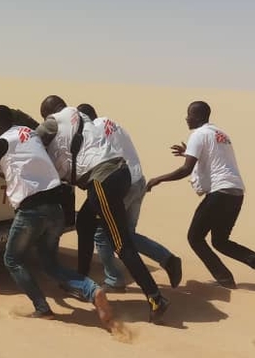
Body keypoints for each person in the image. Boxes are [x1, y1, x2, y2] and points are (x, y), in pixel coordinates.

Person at [0, 105, 115, 328]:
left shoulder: (0, 143)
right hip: (56, 208)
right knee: (50, 264)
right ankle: (93, 290)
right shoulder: (29, 133)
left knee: (12, 260)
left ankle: (42, 308)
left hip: (31, 210)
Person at [37, 96, 171, 323]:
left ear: (49, 112)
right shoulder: (81, 116)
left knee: (120, 243)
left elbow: (33, 140)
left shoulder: (53, 122)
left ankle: (156, 297)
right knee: (85, 222)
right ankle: (81, 279)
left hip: (102, 180)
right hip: (119, 173)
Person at [146, 100, 255, 290]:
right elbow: (214, 156)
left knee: (195, 237)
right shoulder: (220, 134)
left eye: (189, 114)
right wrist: (188, 152)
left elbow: (186, 170)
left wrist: (158, 179)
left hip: (220, 192)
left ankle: (225, 279)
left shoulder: (198, 134)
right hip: (236, 192)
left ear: (199, 116)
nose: (186, 118)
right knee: (220, 241)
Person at [77, 103, 182, 292]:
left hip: (120, 184)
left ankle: (115, 278)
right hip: (137, 180)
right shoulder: (114, 124)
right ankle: (166, 259)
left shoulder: (92, 130)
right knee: (125, 235)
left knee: (103, 233)